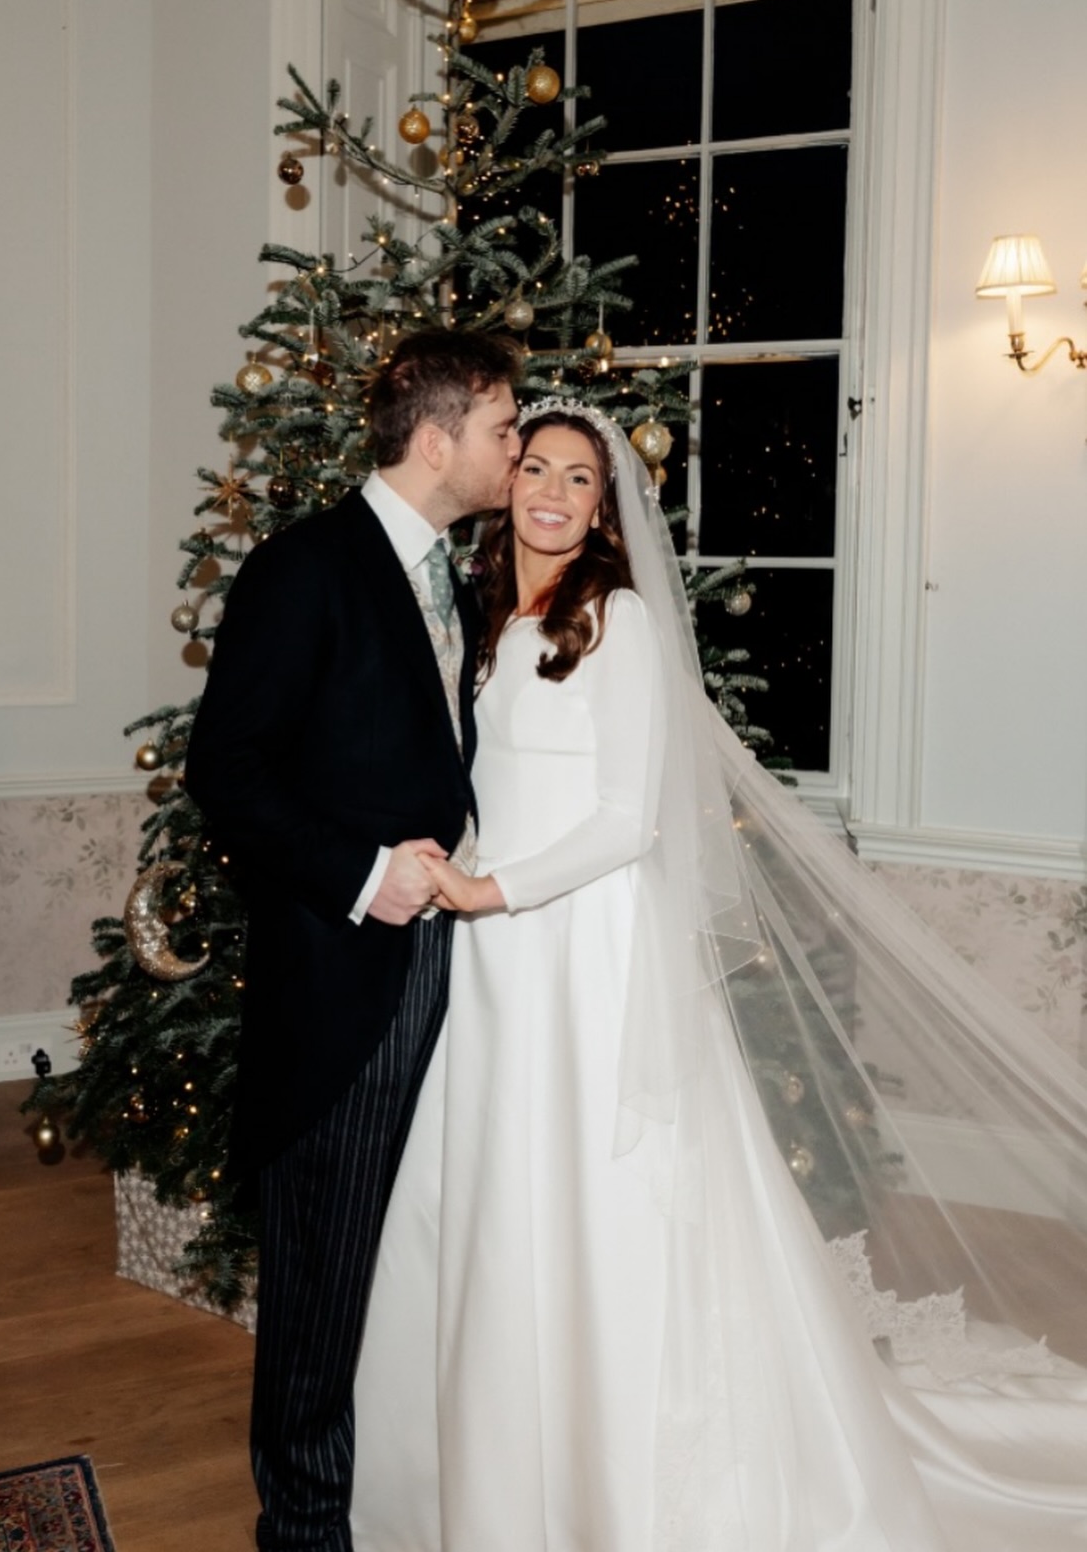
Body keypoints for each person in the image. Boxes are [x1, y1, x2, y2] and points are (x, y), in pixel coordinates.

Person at [350, 399, 1087, 1552]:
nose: (551, 489)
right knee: (494, 1193)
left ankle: (618, 1474)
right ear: (508, 483)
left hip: (582, 948)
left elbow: (627, 818)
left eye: (579, 479)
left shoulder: (620, 621)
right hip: (498, 960)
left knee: (597, 1195)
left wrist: (503, 888)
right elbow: (497, 787)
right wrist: (472, 863)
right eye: (533, 465)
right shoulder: (493, 614)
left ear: (604, 509)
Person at [183, 328, 523, 1552]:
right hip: (340, 988)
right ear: (436, 439)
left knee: (406, 1257)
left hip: (450, 968)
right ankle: (305, 1527)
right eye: (501, 426)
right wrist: (365, 873)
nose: (517, 447)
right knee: (322, 1280)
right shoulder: (305, 568)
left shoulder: (458, 572)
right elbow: (225, 771)